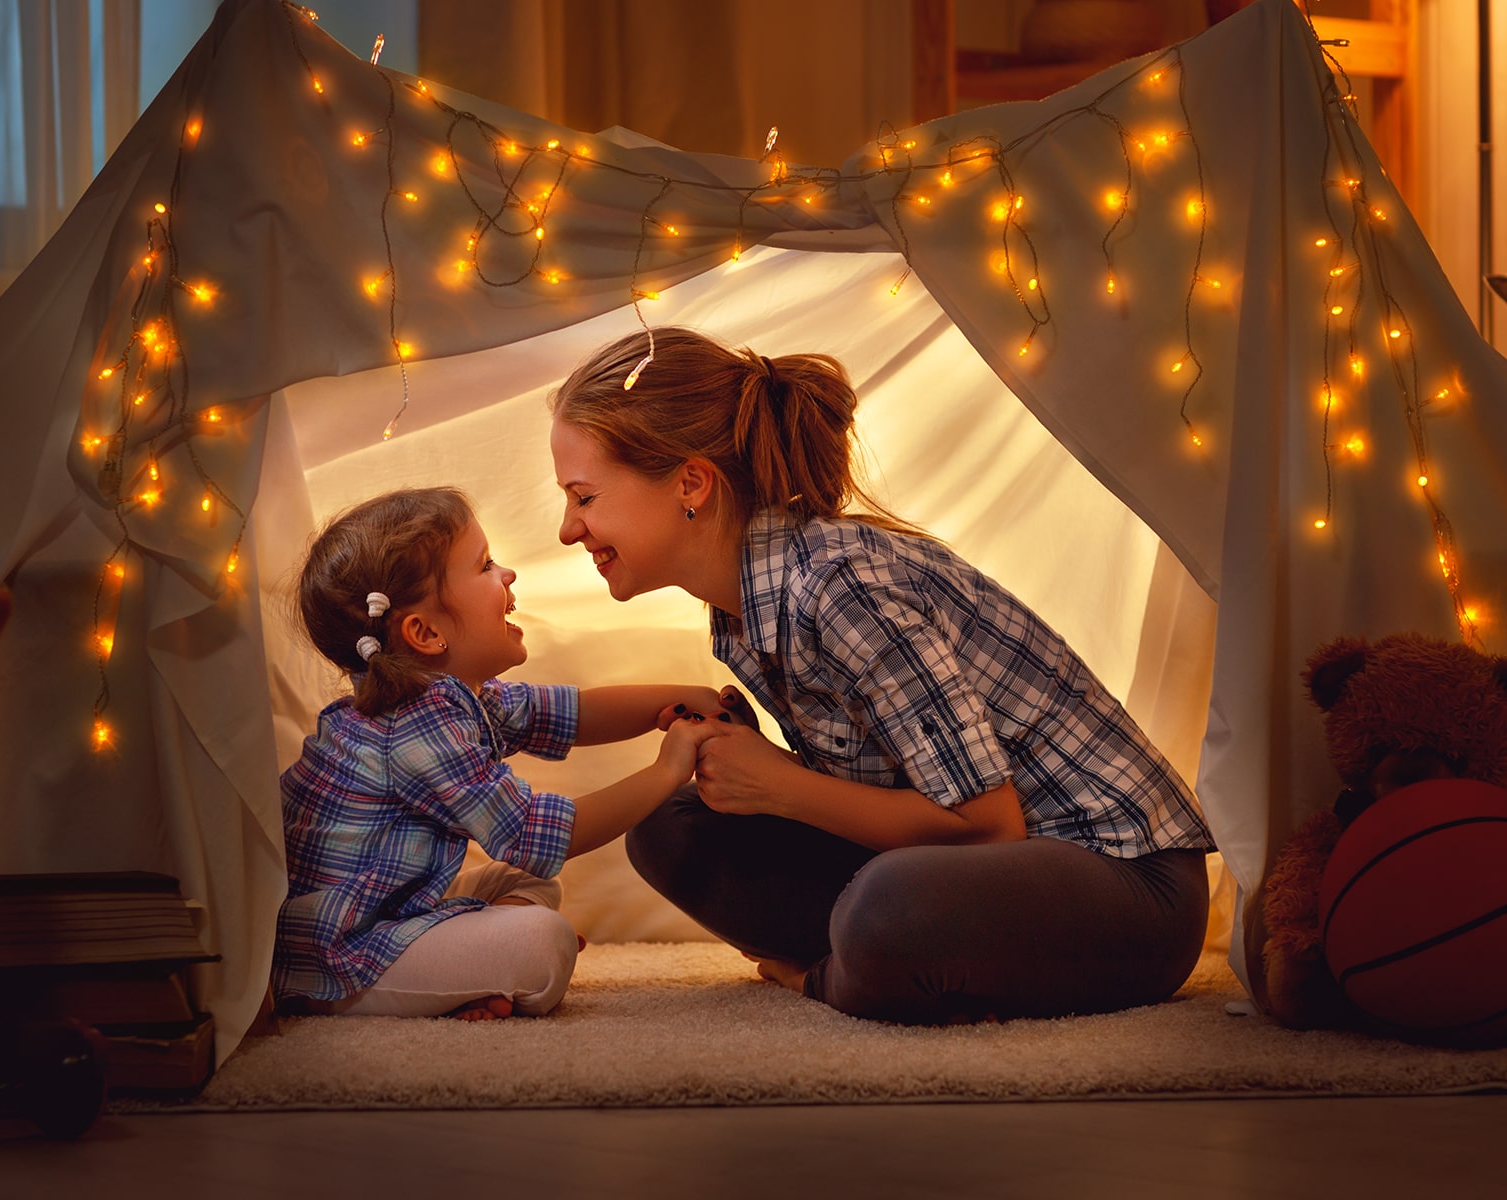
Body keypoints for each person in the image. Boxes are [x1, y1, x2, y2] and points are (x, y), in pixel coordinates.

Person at [548, 327, 1216, 1025]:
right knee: (670, 828)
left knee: (889, 908)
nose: (569, 530)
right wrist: (759, 773)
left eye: (584, 497)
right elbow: (890, 788)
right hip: (974, 872)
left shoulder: (840, 587)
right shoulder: (741, 610)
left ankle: (834, 978)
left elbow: (988, 828)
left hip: (1124, 885)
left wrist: (782, 786)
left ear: (690, 483)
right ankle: (888, 964)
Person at [272, 486, 730, 1021]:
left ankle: (474, 970)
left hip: (390, 906)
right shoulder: (413, 728)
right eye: (485, 564)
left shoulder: (451, 699)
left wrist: (678, 698)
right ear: (425, 633)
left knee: (524, 883)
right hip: (341, 951)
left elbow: (571, 714)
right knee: (544, 943)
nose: (507, 574)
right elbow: (534, 834)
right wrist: (668, 770)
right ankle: (473, 969)